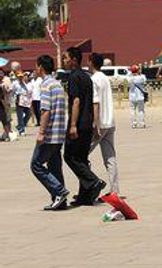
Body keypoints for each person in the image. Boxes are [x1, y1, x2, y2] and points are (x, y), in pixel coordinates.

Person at [62, 47, 106, 206]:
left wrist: (73, 125)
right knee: (81, 159)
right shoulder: (87, 77)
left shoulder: (74, 77)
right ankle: (85, 195)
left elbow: (76, 101)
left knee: (70, 156)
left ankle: (93, 181)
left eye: (66, 58)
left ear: (74, 59)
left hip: (79, 124)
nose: (64, 61)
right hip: (87, 124)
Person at [31, 55, 71, 210]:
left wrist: (41, 132)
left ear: (40, 67)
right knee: (55, 166)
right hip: (59, 133)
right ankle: (60, 201)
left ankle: (59, 191)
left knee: (36, 165)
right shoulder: (57, 84)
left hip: (49, 134)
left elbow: (45, 110)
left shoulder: (46, 85)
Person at [88, 53, 120, 197]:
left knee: (80, 156)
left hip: (100, 123)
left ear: (91, 63)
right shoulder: (105, 78)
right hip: (110, 122)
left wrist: (95, 124)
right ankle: (115, 190)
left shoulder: (93, 80)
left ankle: (90, 184)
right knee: (110, 158)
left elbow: (96, 104)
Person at [14, 71, 32, 136]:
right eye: (19, 76)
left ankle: (20, 126)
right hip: (18, 100)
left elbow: (27, 91)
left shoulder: (24, 83)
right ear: (17, 76)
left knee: (28, 114)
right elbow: (12, 92)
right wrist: (16, 96)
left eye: (21, 76)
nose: (20, 77)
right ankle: (22, 130)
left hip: (25, 101)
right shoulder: (15, 83)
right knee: (20, 116)